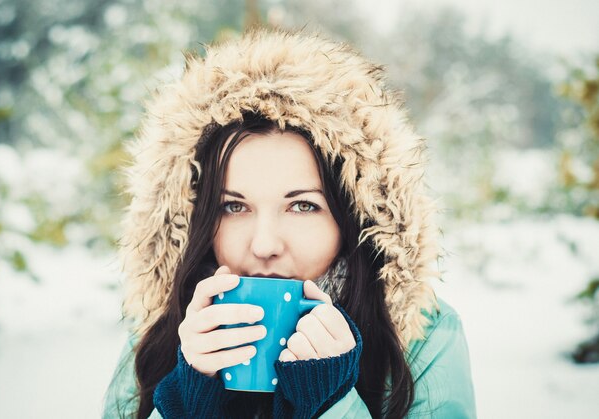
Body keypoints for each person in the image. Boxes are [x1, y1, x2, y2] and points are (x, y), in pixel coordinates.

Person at [103, 28, 476, 419]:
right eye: (233, 207)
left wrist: (330, 403)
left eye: (301, 206)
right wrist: (188, 398)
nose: (264, 245)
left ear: (355, 218)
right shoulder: (160, 334)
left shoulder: (421, 339)